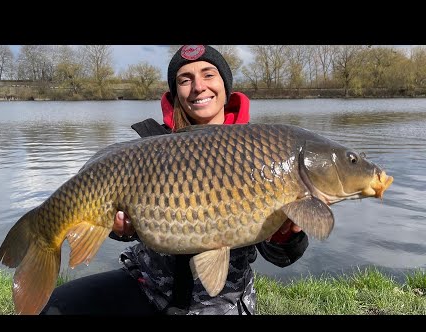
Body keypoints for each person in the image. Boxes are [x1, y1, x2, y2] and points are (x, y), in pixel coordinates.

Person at [40, 45, 309, 315]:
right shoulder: (152, 147)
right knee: (56, 307)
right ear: (176, 92)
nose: (198, 87)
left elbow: (282, 256)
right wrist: (118, 227)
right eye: (185, 79)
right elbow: (122, 221)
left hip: (220, 300)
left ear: (225, 85)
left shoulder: (263, 150)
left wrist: (285, 233)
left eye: (208, 75)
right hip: (148, 285)